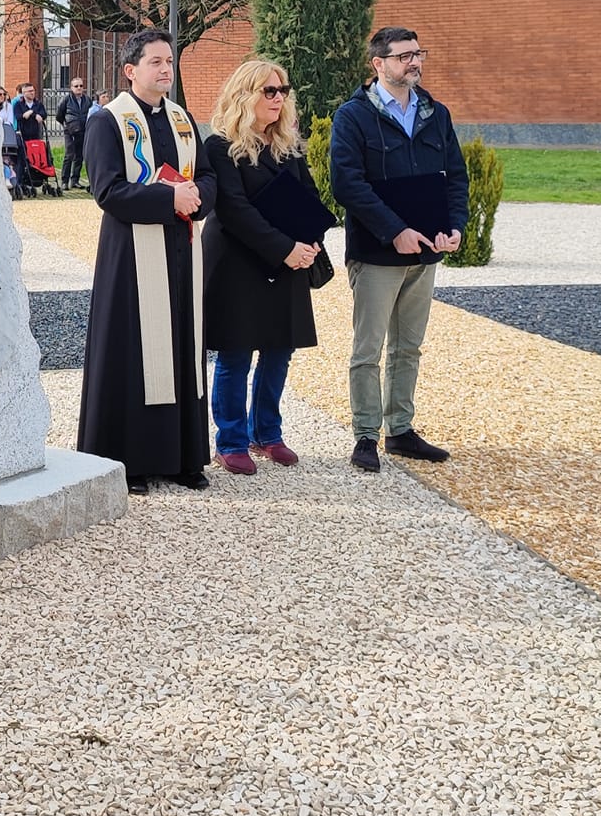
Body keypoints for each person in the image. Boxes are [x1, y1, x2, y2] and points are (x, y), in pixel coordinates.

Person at [78, 30, 214, 494]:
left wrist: (197, 197)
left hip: (182, 250)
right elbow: (107, 190)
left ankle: (183, 458)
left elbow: (208, 176)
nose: (165, 69)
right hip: (132, 257)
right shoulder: (108, 121)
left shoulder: (182, 118)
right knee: (134, 352)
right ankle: (130, 461)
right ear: (130, 70)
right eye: (155, 62)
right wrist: (169, 198)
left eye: (169, 61)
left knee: (182, 347)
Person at [329, 26, 470, 474]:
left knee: (408, 348)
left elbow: (455, 177)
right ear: (379, 64)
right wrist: (395, 231)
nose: (415, 62)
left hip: (425, 254)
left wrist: (455, 227)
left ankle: (401, 430)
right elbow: (347, 184)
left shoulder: (435, 113)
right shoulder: (353, 117)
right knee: (368, 350)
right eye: (404, 56)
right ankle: (366, 435)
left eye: (418, 54)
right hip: (376, 254)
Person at [202, 59, 321, 476]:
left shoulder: (288, 144)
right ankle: (231, 440)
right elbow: (234, 209)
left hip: (287, 259)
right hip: (238, 262)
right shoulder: (220, 146)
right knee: (236, 354)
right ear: (244, 95)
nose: (278, 98)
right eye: (269, 91)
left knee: (279, 350)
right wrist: (285, 249)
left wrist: (310, 242)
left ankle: (267, 433)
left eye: (282, 91)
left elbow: (308, 198)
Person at [55, 78, 91, 189]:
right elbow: (59, 115)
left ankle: (75, 180)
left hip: (83, 130)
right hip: (70, 131)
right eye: (76, 86)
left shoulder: (87, 100)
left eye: (81, 86)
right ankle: (64, 181)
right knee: (69, 155)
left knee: (79, 156)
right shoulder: (66, 99)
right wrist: (67, 124)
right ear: (71, 88)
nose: (79, 88)